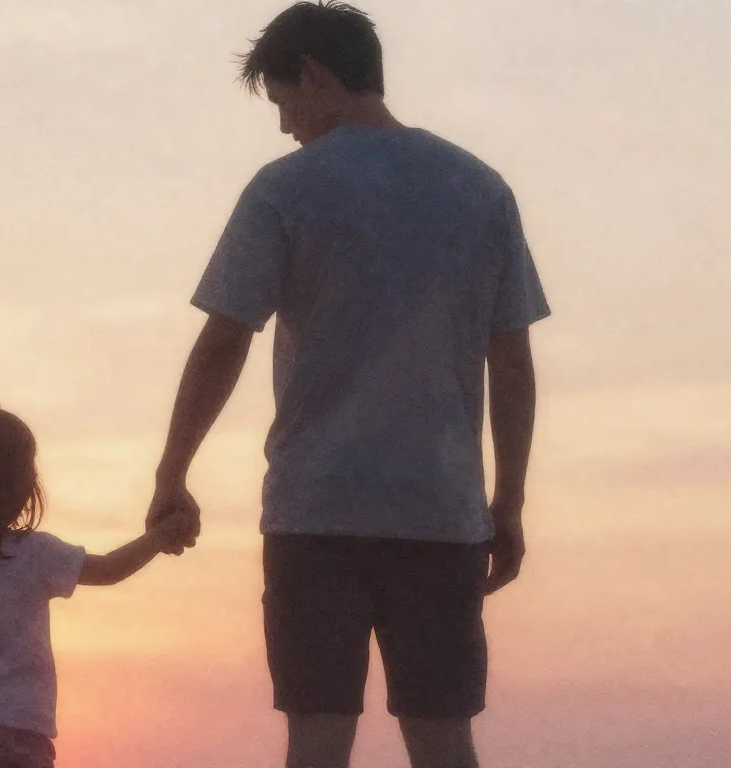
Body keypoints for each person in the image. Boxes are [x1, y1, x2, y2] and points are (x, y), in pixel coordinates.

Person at [145, 3, 551, 767]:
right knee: (444, 739)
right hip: (440, 513)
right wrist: (507, 502)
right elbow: (512, 363)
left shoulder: (284, 190)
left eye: (283, 103)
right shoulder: (481, 191)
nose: (284, 127)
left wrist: (173, 472)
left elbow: (224, 339)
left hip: (316, 513)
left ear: (314, 76)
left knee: (317, 739)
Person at [0, 403, 192, 768]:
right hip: (16, 732)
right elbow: (109, 569)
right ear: (20, 484)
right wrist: (158, 537)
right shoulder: (35, 553)